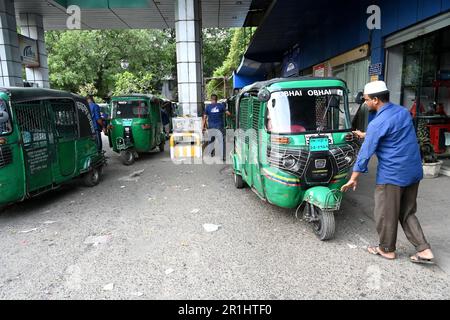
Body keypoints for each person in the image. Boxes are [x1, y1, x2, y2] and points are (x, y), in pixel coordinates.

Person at [341, 81, 435, 265]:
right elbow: (392, 132)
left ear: (375, 100)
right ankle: (424, 249)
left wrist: (353, 178)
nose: (365, 103)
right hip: (413, 171)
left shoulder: (378, 122)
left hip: (393, 175)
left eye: (366, 100)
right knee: (407, 212)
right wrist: (365, 134)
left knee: (385, 213)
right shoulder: (402, 112)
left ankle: (386, 250)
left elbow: (365, 153)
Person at [203, 94, 231, 161]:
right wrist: (229, 115)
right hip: (219, 127)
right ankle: (223, 157)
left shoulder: (208, 107)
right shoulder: (221, 106)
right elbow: (228, 113)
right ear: (216, 99)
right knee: (221, 141)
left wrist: (202, 127)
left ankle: (211, 154)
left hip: (211, 127)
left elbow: (204, 118)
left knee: (211, 141)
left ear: (211, 99)